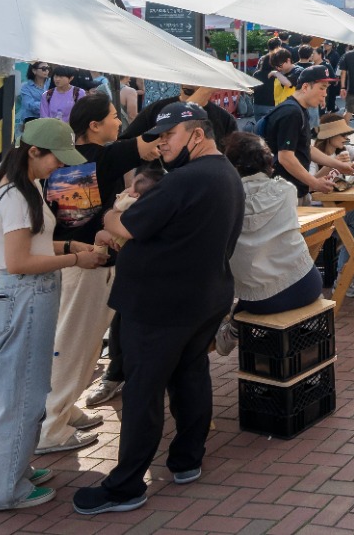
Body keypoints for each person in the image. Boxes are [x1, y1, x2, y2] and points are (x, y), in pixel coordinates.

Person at [75, 103, 246, 515]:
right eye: (158, 137)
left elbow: (124, 226)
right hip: (203, 297)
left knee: (143, 390)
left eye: (170, 135)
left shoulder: (186, 178)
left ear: (197, 135)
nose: (161, 144)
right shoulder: (225, 172)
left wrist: (111, 214)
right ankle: (187, 460)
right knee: (189, 375)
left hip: (161, 303)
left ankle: (125, 487)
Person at [0, 120, 103, 512]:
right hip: (26, 297)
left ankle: (17, 470)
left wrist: (68, 245)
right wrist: (76, 259)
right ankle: (4, 490)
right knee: (21, 397)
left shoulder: (22, 188)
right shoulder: (16, 196)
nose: (59, 166)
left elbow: (33, 246)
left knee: (29, 391)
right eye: (55, 158)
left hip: (29, 298)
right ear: (33, 151)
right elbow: (19, 262)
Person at [36, 93, 148, 456]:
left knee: (75, 346)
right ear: (94, 125)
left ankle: (65, 411)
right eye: (114, 116)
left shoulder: (66, 163)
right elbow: (147, 136)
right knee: (74, 348)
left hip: (74, 262)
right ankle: (53, 429)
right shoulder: (104, 156)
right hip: (89, 266)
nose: (119, 122)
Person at [219, 132, 322, 345]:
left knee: (256, 283)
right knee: (281, 265)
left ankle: (234, 329)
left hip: (259, 300)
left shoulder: (224, 199)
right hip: (307, 285)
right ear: (268, 162)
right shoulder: (286, 190)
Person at [264, 65, 350, 200]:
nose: (325, 94)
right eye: (322, 88)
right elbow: (285, 157)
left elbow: (306, 147)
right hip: (284, 193)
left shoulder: (300, 110)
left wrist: (339, 165)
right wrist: (314, 183)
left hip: (296, 190)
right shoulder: (291, 113)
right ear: (305, 87)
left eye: (326, 88)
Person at [17, 61, 51, 128]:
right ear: (34, 71)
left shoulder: (51, 83)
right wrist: (46, 104)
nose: (47, 71)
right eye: (44, 68)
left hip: (51, 119)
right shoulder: (26, 87)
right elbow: (29, 105)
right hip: (32, 120)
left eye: (48, 68)